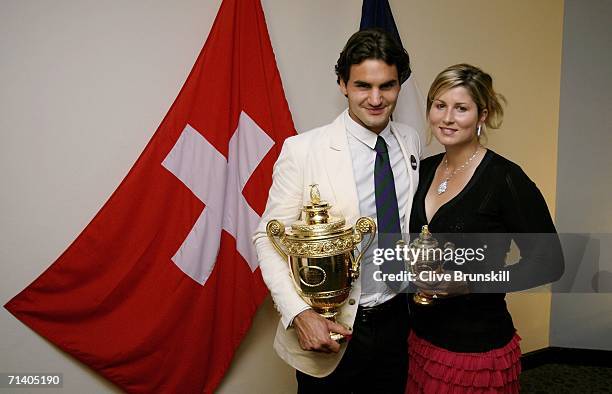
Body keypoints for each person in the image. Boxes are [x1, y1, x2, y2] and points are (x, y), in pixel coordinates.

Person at [253, 28, 421, 393]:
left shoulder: (410, 139)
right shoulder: (303, 150)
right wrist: (299, 314)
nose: (376, 99)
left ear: (399, 85)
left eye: (387, 86)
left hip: (398, 319)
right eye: (363, 86)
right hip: (335, 324)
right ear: (343, 83)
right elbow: (267, 238)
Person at [406, 63, 564, 393]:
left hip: (474, 348)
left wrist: (468, 284)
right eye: (440, 105)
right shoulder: (423, 169)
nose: (447, 118)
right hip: (420, 339)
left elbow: (549, 262)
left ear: (482, 115)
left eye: (461, 108)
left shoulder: (506, 178)